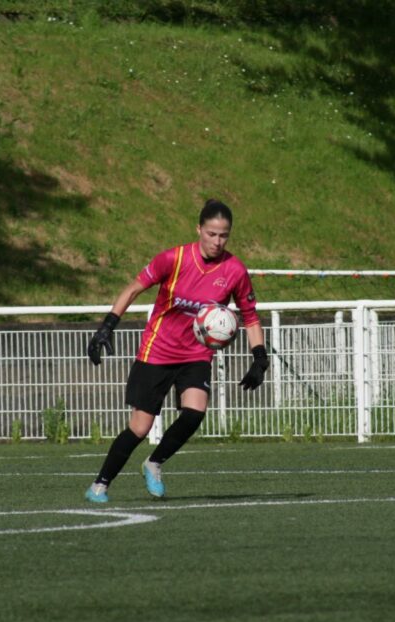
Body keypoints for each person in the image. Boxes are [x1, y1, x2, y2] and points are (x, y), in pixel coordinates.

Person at [83, 199, 269, 503]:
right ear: (199, 229)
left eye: (224, 236)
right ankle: (100, 484)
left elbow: (249, 316)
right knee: (140, 427)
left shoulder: (234, 270)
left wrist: (260, 358)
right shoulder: (174, 258)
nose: (217, 241)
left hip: (195, 354)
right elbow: (132, 289)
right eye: (211, 234)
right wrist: (106, 327)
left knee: (195, 412)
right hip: (156, 351)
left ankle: (154, 463)